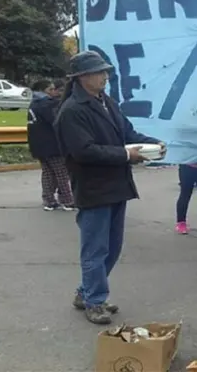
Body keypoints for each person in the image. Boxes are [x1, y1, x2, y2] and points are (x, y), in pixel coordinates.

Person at [55, 51, 165, 325]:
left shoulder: (106, 102)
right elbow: (84, 152)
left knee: (113, 247)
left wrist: (153, 144)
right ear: (82, 78)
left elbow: (127, 133)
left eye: (106, 71)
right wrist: (127, 155)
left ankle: (86, 292)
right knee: (95, 249)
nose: (106, 76)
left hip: (117, 186)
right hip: (93, 189)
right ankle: (94, 301)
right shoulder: (72, 111)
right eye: (99, 72)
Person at [28, 79, 74, 211]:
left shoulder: (34, 104)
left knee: (48, 173)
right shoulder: (46, 104)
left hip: (39, 145)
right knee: (61, 173)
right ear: (45, 91)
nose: (54, 92)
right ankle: (67, 200)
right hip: (52, 145)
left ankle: (49, 200)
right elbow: (56, 122)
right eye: (51, 89)